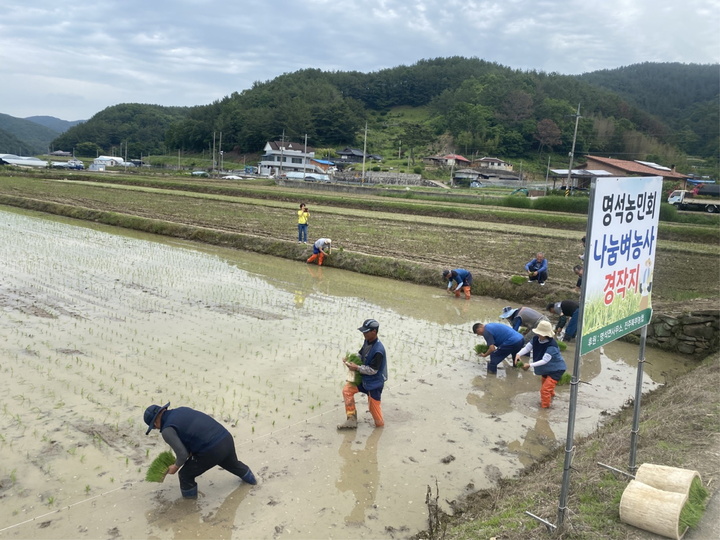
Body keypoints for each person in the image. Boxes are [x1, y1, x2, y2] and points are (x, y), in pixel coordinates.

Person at [143, 402, 257, 498]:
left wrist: (175, 467)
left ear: (155, 422)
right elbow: (194, 434)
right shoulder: (182, 410)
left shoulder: (167, 430)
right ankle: (255, 483)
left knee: (185, 475)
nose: (156, 428)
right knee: (233, 464)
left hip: (212, 449)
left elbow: (182, 454)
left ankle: (190, 508)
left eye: (154, 427)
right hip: (225, 438)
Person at [338, 319, 388, 430]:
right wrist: (350, 359)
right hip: (364, 379)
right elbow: (361, 354)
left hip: (374, 384)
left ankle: (379, 431)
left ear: (374, 332)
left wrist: (357, 368)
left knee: (376, 417)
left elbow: (373, 370)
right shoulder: (367, 341)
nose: (363, 334)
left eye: (366, 331)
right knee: (347, 390)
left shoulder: (378, 350)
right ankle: (351, 420)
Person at [516, 320, 567, 408]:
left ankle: (545, 409)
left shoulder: (552, 345)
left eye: (541, 334)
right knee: (545, 385)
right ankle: (552, 397)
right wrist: (518, 354)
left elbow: (545, 360)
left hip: (556, 369)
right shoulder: (536, 339)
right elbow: (528, 347)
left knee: (545, 390)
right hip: (546, 369)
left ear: (546, 334)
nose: (539, 335)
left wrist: (530, 365)